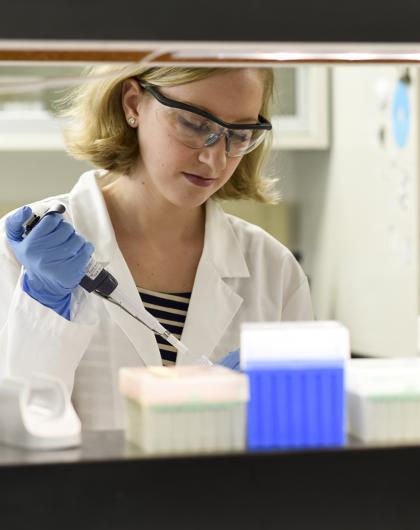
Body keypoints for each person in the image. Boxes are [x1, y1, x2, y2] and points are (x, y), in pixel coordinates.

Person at [0, 66, 313, 430]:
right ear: (133, 103)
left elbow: (302, 437)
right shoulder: (30, 252)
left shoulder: (274, 270)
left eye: (240, 134)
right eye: (195, 125)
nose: (216, 159)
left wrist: (264, 409)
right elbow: (13, 435)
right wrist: (42, 308)